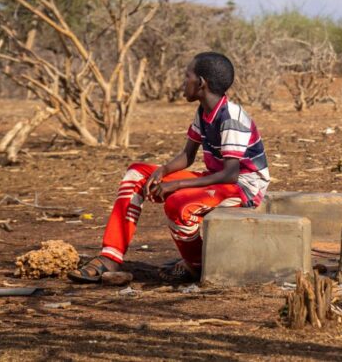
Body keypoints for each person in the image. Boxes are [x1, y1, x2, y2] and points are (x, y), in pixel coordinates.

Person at [68, 51, 269, 283]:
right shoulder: (204, 112)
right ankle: (110, 256)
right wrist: (163, 171)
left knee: (179, 204)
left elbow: (231, 174)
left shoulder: (231, 117)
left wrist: (178, 183)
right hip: (218, 177)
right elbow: (187, 154)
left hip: (244, 187)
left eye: (187, 77)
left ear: (201, 83)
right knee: (137, 173)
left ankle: (197, 265)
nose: (183, 83)